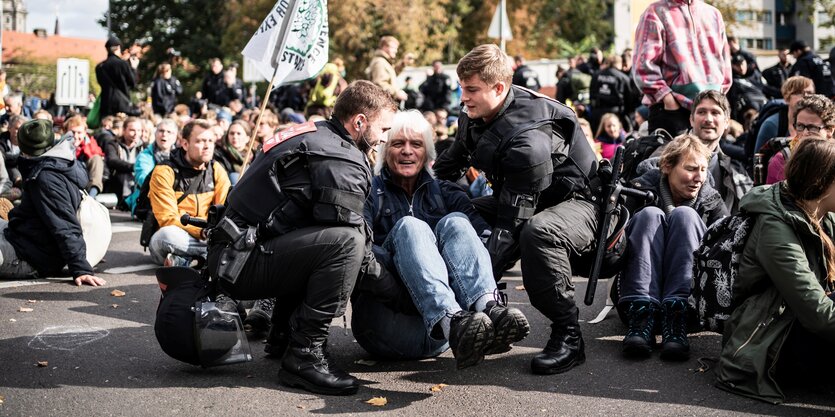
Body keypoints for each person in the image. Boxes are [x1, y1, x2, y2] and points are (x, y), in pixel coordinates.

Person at [206, 80, 396, 395]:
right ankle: (305, 355)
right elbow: (359, 255)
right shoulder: (341, 158)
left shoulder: (315, 132)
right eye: (383, 129)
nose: (384, 138)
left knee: (322, 238)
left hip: (234, 252)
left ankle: (283, 332)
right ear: (359, 122)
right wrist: (401, 295)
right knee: (345, 244)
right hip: (240, 262)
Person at [433, 45, 600, 375]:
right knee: (454, 212)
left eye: (471, 90)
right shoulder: (476, 113)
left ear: (498, 88)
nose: (462, 98)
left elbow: (510, 228)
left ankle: (569, 335)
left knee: (537, 231)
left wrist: (476, 288)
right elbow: (447, 167)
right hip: (523, 196)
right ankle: (470, 307)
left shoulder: (528, 140)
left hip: (577, 204)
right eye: (461, 88)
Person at [353, 110, 529, 369]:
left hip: (445, 340)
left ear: (427, 153)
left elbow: (486, 242)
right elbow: (358, 252)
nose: (407, 151)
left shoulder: (447, 192)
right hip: (388, 328)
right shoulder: (370, 193)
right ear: (384, 150)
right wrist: (409, 278)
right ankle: (451, 320)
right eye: (398, 144)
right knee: (411, 228)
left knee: (457, 221)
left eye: (416, 144)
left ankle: (489, 308)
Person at [716, 138, 835, 404]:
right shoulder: (776, 229)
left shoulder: (822, 213)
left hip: (799, 323)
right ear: (822, 183)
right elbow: (815, 310)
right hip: (770, 340)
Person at [618, 134, 727, 361]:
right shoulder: (638, 192)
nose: (699, 178)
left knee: (685, 215)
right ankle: (642, 316)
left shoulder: (712, 200)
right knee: (649, 214)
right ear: (667, 166)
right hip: (637, 296)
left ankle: (676, 315)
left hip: (690, 306)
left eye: (704, 170)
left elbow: (724, 249)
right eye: (691, 169)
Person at [2, 119, 105, 286]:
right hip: (25, 236)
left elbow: (64, 224)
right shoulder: (61, 159)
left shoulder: (45, 178)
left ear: (23, 146)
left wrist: (80, 268)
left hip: (29, 256)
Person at [632, 0, 732, 136]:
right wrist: (667, 98)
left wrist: (719, 96)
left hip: (708, 109)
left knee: (710, 157)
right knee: (670, 157)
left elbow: (724, 63)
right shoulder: (656, 11)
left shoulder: (714, 14)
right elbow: (644, 66)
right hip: (672, 110)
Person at [148, 119, 229, 267]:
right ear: (185, 144)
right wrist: (202, 232)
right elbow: (168, 218)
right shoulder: (164, 171)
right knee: (167, 235)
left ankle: (191, 261)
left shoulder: (216, 169)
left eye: (210, 141)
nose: (207, 146)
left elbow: (224, 208)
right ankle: (214, 255)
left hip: (207, 235)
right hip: (177, 236)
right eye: (201, 141)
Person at [766, 94, 835, 184]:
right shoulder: (782, 161)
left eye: (812, 127)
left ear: (830, 130)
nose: (805, 133)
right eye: (800, 126)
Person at [125, 119, 179, 213]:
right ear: (155, 134)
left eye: (169, 132)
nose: (164, 134)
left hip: (174, 200)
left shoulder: (180, 156)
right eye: (161, 131)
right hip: (146, 201)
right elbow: (143, 179)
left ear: (175, 137)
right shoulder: (144, 156)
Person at [753, 76, 814, 153]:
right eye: (798, 93)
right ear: (787, 98)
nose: (805, 97)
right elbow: (758, 158)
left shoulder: (816, 123)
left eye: (809, 93)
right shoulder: (772, 125)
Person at [104, 117, 144, 208]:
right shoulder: (113, 144)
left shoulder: (144, 147)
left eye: (139, 130)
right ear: (124, 130)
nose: (136, 134)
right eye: (132, 130)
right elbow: (112, 160)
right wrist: (134, 167)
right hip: (117, 186)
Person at [95, 36, 139, 117]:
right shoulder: (122, 64)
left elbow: (100, 83)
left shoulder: (100, 66)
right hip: (122, 105)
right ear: (118, 47)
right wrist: (134, 69)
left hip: (106, 104)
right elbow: (133, 83)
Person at [64, 115, 105, 196]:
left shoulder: (92, 148)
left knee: (96, 159)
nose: (75, 136)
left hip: (85, 189)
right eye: (72, 132)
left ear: (85, 133)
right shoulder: (58, 147)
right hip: (64, 188)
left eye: (79, 133)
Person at [590, 54, 632, 131]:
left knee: (597, 137)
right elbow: (629, 99)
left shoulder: (596, 75)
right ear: (619, 63)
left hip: (598, 112)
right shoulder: (623, 77)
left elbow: (592, 94)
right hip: (616, 114)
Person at [366, 36, 408, 103]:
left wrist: (403, 64)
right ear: (385, 47)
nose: (396, 51)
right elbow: (379, 84)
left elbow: (390, 76)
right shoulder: (379, 62)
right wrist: (396, 93)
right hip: (381, 103)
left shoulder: (384, 62)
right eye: (394, 48)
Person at [213, 119, 251, 185]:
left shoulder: (255, 156)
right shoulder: (220, 155)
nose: (235, 137)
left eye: (239, 133)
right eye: (232, 133)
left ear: (247, 138)